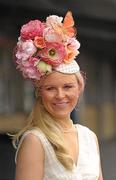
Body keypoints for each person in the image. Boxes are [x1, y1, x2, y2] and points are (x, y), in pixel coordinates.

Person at [13, 11, 103, 180]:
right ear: (40, 93)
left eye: (67, 86)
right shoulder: (35, 141)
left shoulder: (89, 137)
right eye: (51, 88)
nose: (60, 95)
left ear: (79, 89)